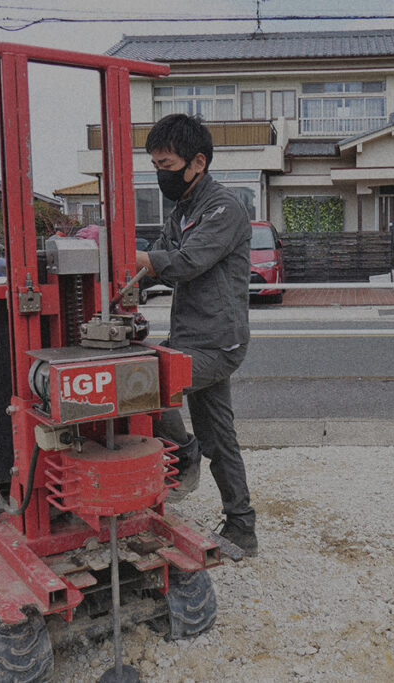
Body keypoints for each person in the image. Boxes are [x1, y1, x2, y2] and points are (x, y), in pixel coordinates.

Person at [134, 114, 257, 557]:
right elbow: (156, 264)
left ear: (197, 162)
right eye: (154, 165)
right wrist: (118, 288)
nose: (159, 173)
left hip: (218, 344)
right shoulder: (182, 210)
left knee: (146, 380)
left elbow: (183, 262)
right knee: (220, 435)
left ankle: (183, 454)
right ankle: (242, 525)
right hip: (191, 340)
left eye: (165, 163)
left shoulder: (224, 208)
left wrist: (138, 260)